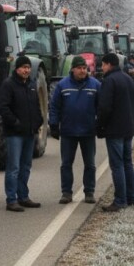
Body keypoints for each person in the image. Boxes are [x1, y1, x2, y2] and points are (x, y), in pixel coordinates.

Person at [49, 55, 100, 204]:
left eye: (84, 68)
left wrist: (100, 124)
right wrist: (54, 124)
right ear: (72, 69)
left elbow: (101, 106)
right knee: (66, 164)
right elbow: (54, 106)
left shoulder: (95, 85)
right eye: (79, 68)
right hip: (68, 132)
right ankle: (66, 193)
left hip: (88, 132)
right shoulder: (62, 85)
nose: (82, 71)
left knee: (90, 164)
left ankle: (89, 192)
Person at [0, 55, 44, 212]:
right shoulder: (8, 85)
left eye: (28, 67)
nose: (27, 70)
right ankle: (11, 199)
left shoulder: (31, 85)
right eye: (24, 67)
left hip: (30, 133)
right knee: (14, 167)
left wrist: (38, 121)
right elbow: (2, 108)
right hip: (14, 134)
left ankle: (23, 197)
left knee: (26, 166)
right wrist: (15, 123)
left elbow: (36, 106)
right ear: (17, 69)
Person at [95, 53, 134, 212]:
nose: (102, 68)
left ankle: (120, 200)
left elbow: (105, 107)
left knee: (117, 165)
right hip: (128, 127)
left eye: (103, 65)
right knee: (127, 163)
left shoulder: (109, 81)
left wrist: (100, 126)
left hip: (114, 129)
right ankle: (131, 197)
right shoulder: (128, 79)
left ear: (108, 64)